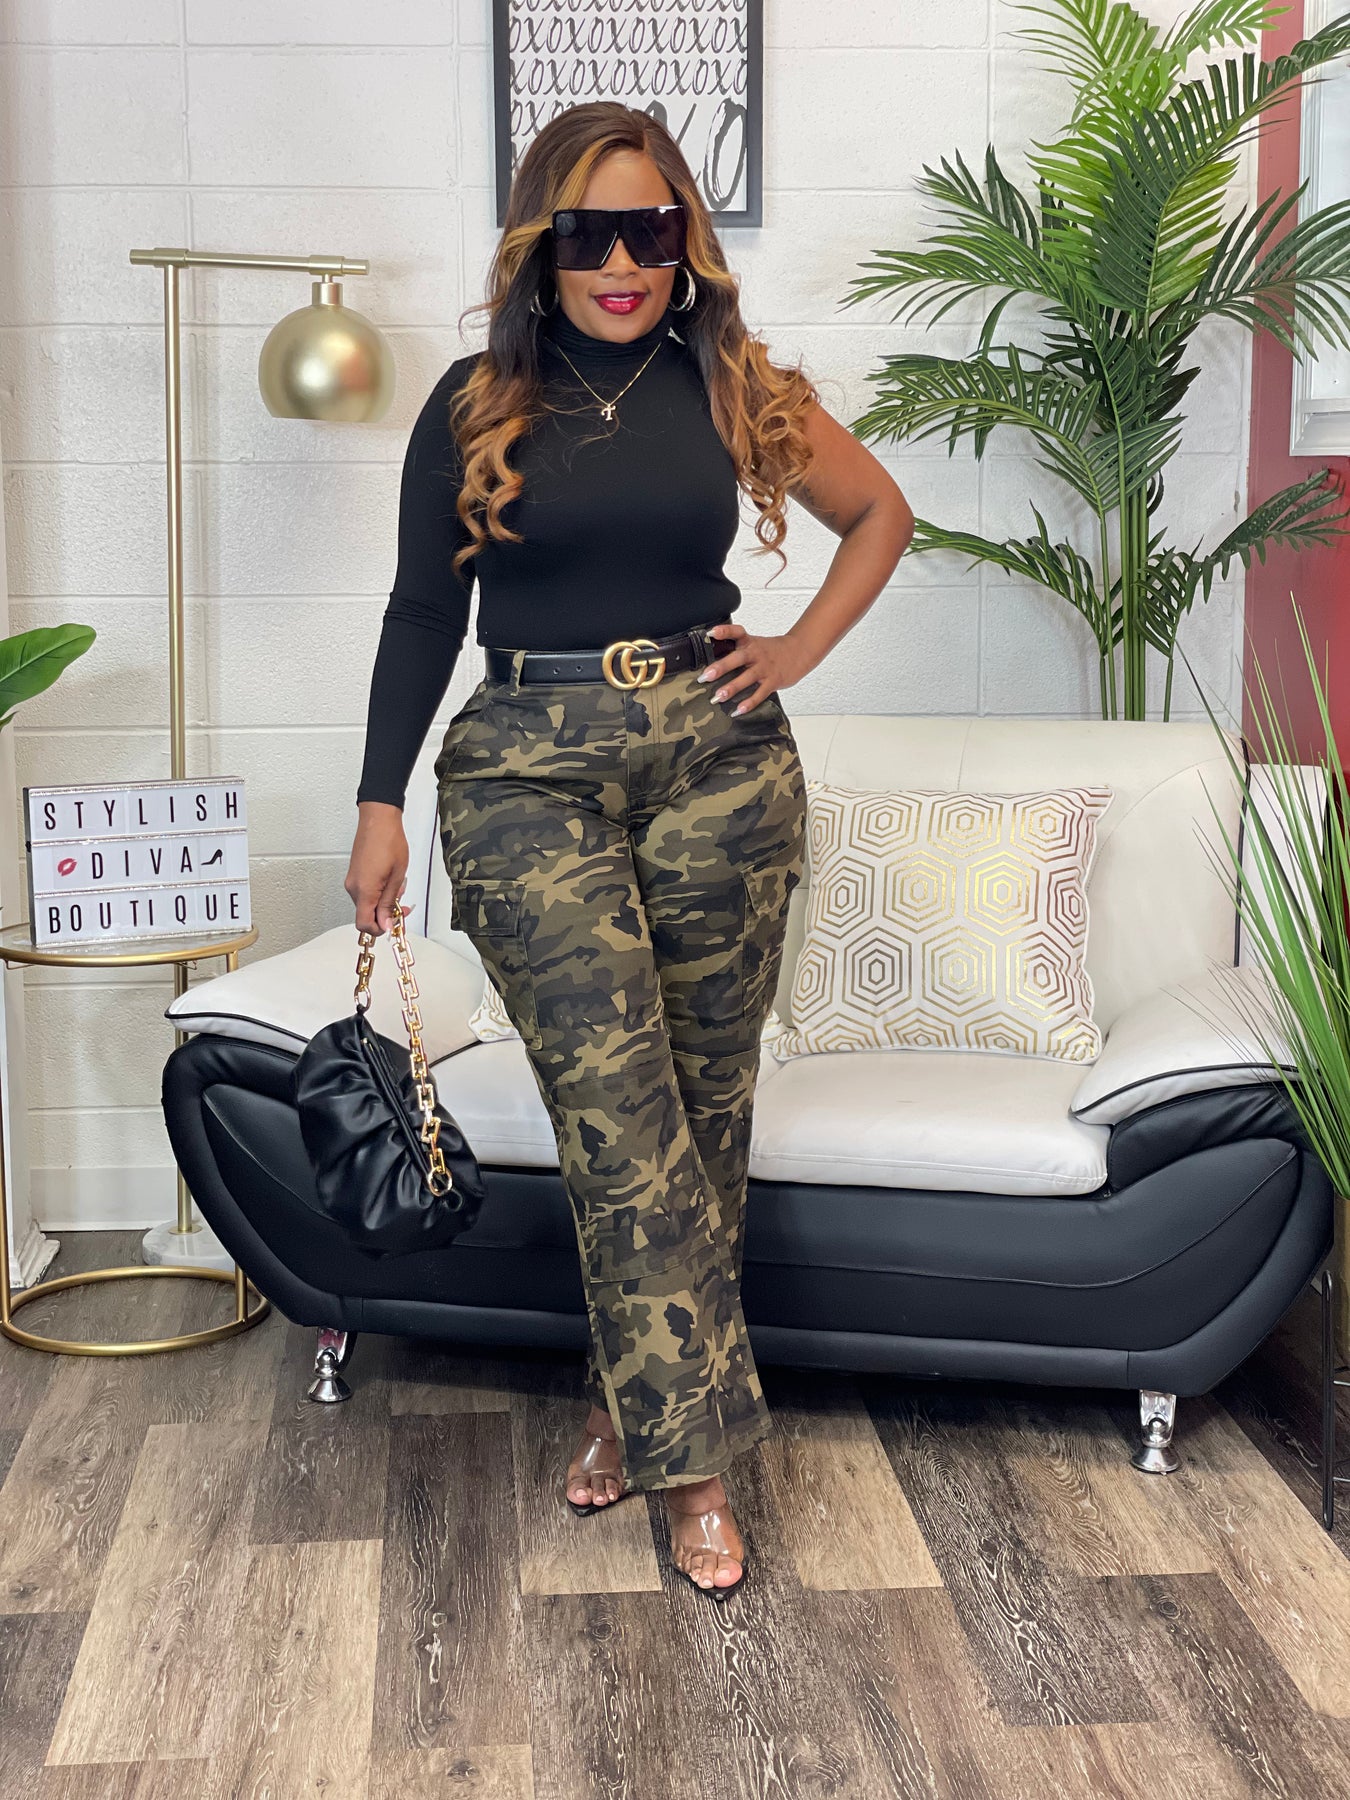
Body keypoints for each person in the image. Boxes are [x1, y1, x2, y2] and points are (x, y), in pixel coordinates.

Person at [346, 102, 913, 1600]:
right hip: (523, 767)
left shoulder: (733, 383)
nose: (618, 263)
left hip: (720, 759)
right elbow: (423, 610)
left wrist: (792, 650)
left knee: (702, 1112)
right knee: (616, 1107)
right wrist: (378, 800)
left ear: (684, 242)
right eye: (587, 233)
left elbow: (879, 513)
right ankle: (696, 1469)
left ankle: (625, 1402)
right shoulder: (476, 401)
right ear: (541, 246)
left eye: (647, 230)